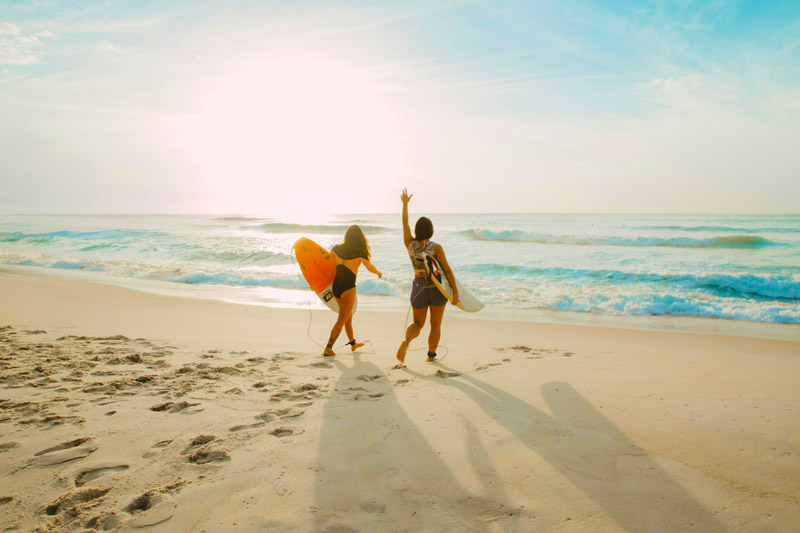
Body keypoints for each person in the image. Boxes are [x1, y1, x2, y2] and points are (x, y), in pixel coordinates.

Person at [396, 188, 458, 365]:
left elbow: (404, 224)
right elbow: (446, 270)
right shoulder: (436, 247)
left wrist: (405, 204)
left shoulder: (410, 244)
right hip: (436, 288)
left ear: (417, 230)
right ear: (431, 231)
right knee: (435, 324)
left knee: (417, 324)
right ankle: (431, 356)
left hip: (418, 286)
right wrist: (455, 293)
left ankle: (406, 342)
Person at [323, 225, 382, 357]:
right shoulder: (360, 252)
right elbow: (370, 267)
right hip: (348, 289)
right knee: (341, 319)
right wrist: (378, 273)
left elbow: (326, 263)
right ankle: (328, 347)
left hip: (335, 288)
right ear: (360, 238)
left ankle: (353, 343)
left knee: (347, 318)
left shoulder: (336, 249)